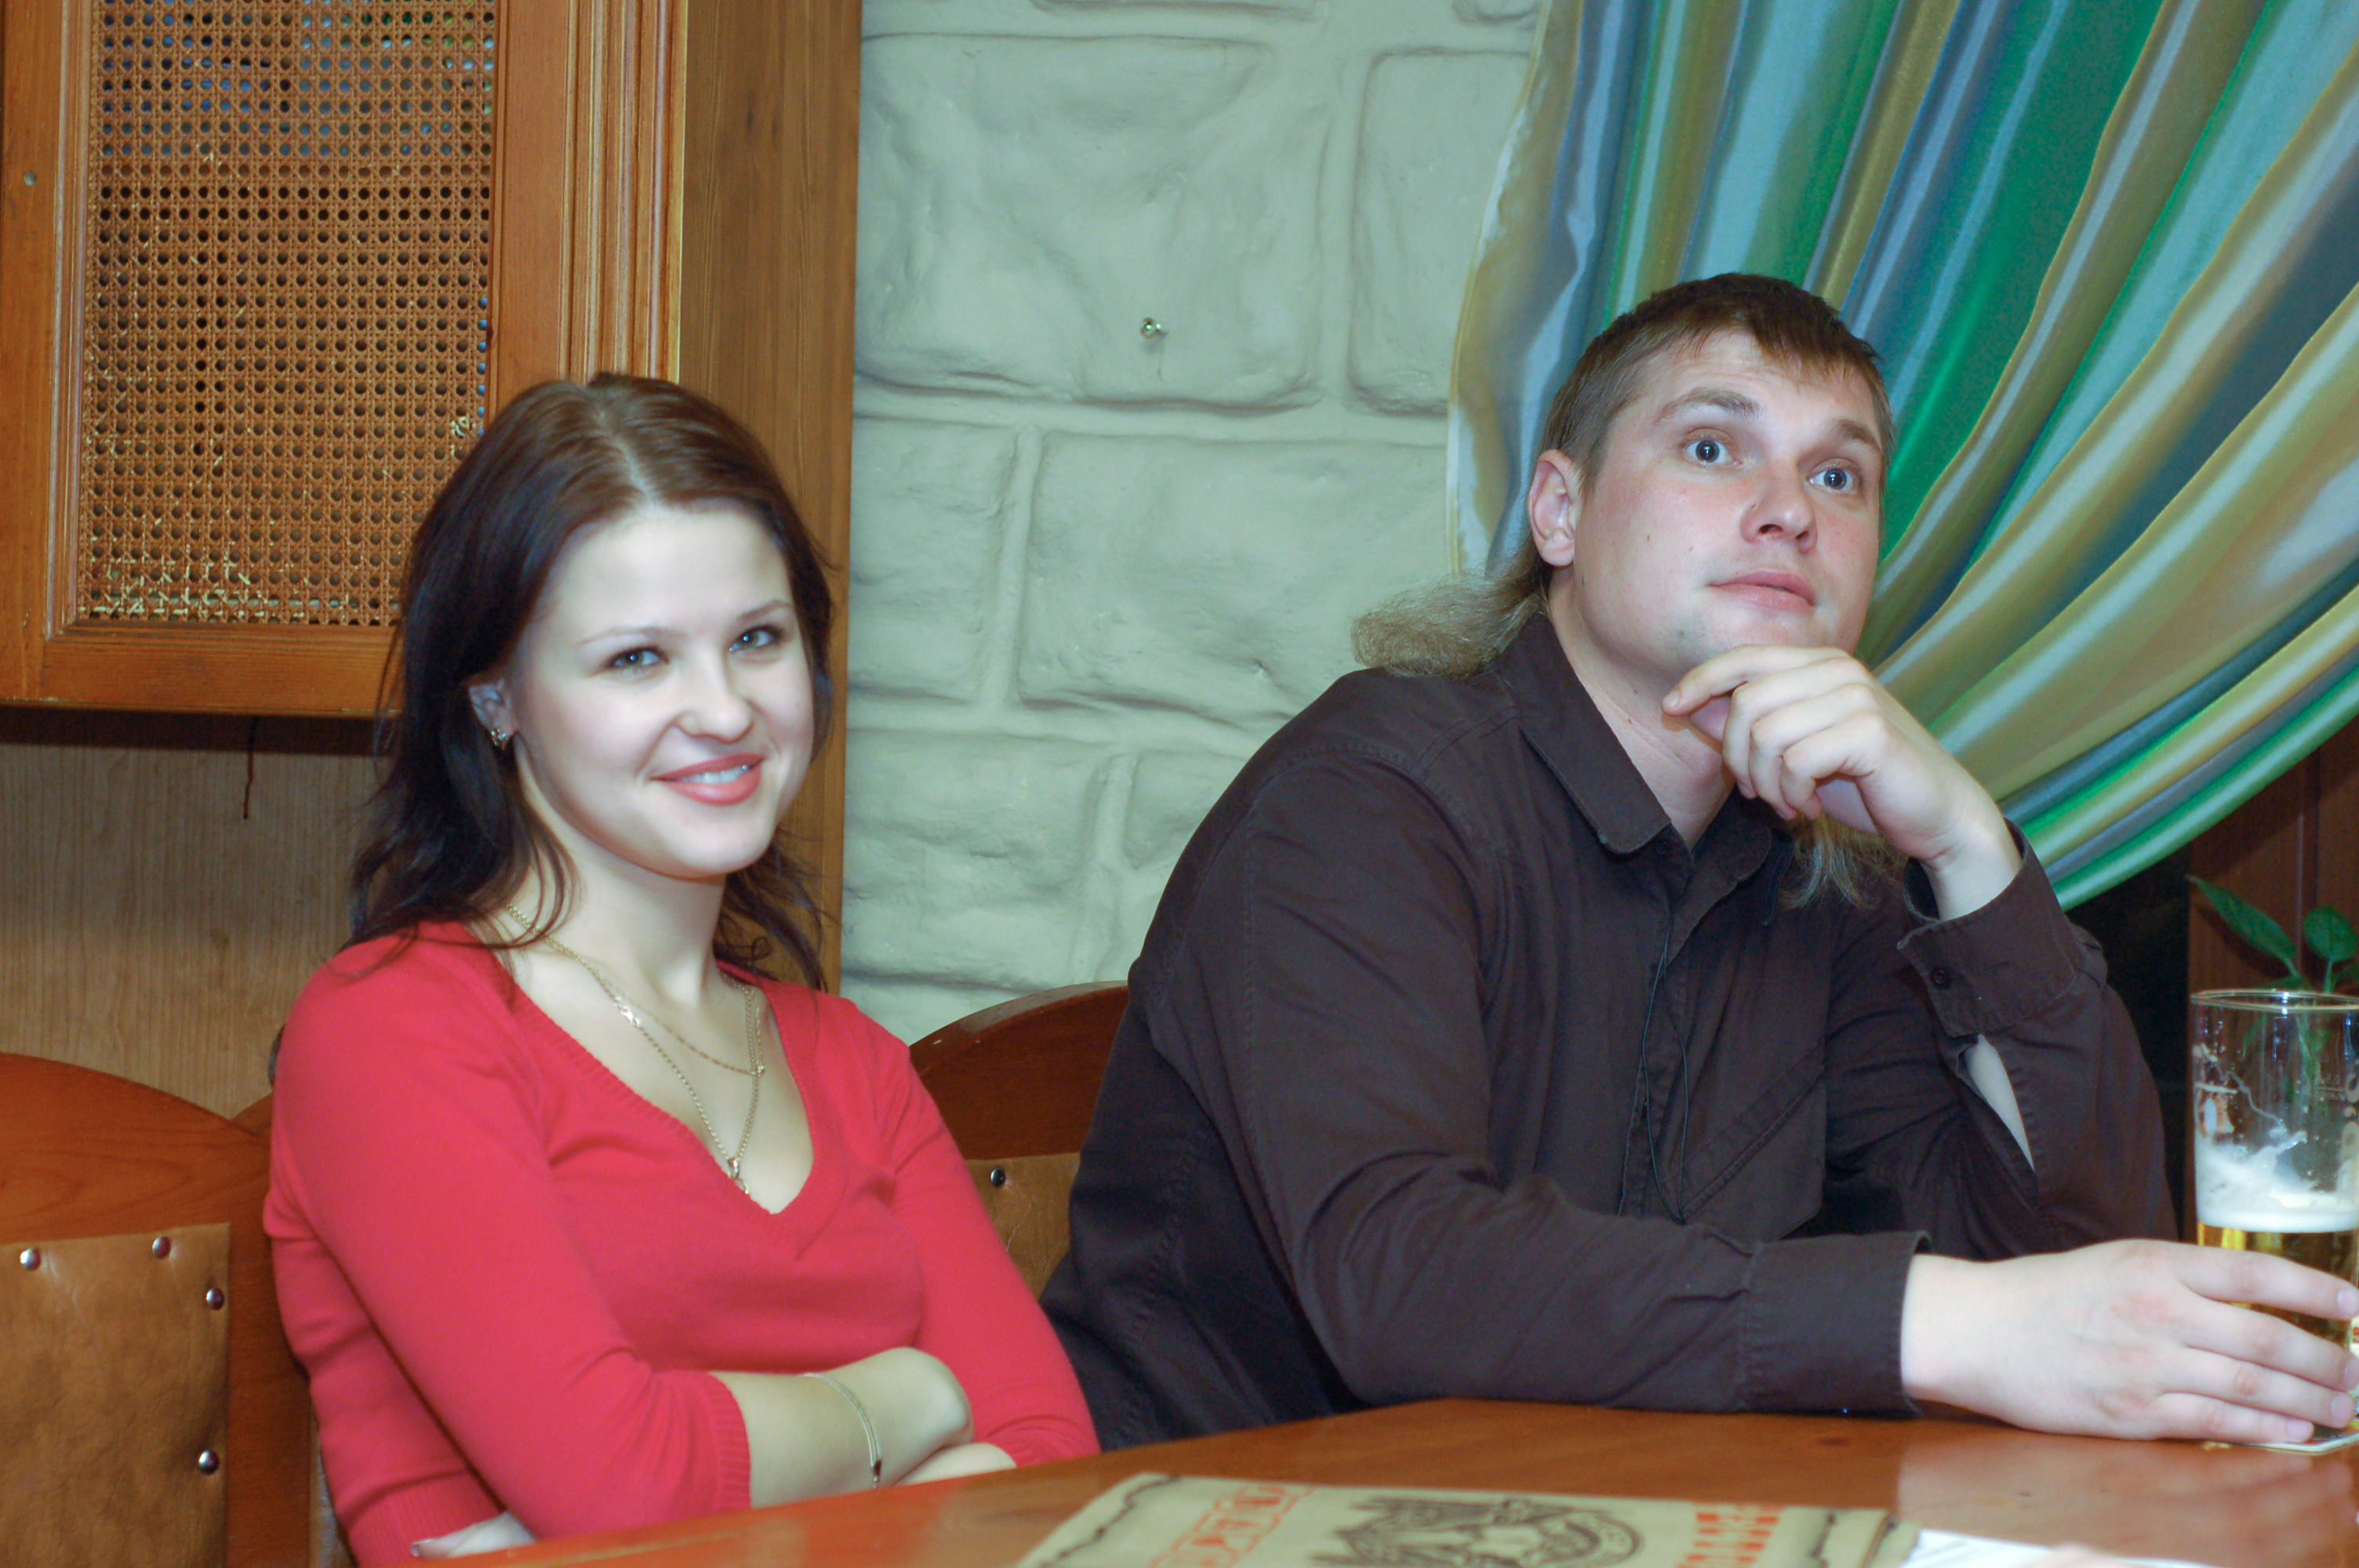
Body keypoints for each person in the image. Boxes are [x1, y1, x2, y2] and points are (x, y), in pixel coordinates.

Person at [1043, 274, 2359, 1450]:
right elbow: (1402, 1274)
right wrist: (1938, 1321)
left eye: (1838, 477)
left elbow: (2076, 1272)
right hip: (1210, 1520)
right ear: (1560, 510)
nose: (1788, 512)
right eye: (1714, 448)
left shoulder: (1816, 879)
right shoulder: (1368, 793)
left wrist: (1964, 842)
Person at [267, 376, 1095, 1565]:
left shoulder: (852, 1062)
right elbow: (624, 1487)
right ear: (497, 699)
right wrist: (908, 1399)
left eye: (756, 639)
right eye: (637, 659)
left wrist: (693, 1494)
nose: (723, 711)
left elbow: (1050, 1464)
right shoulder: (390, 1029)